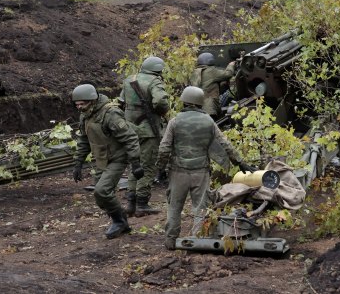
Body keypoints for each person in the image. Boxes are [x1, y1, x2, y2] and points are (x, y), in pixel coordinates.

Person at [157, 86, 256, 250]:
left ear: (185, 101)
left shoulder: (175, 121)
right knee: (200, 208)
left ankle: (170, 241)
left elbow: (164, 147)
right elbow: (225, 144)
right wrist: (240, 162)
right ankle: (197, 241)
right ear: (200, 102)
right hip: (201, 172)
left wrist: (160, 167)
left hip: (178, 172)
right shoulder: (208, 121)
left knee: (174, 206)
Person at [71, 83, 144, 239]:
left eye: (82, 104)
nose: (79, 107)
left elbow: (130, 138)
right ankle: (121, 219)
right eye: (76, 104)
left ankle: (119, 222)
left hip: (117, 159)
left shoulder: (110, 114)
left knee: (102, 191)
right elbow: (84, 140)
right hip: (102, 159)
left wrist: (135, 162)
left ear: (92, 100)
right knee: (100, 198)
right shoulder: (85, 115)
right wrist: (78, 163)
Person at [119, 56, 170, 217]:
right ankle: (142, 203)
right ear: (158, 70)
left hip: (130, 129)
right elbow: (161, 102)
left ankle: (130, 202)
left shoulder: (129, 79)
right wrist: (161, 113)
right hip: (148, 130)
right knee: (147, 166)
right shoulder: (155, 81)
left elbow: (121, 101)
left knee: (135, 164)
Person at [189, 52, 236, 120]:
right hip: (209, 107)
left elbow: (206, 84)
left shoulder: (196, 72)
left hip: (196, 107)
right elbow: (228, 74)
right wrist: (231, 65)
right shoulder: (211, 71)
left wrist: (221, 84)